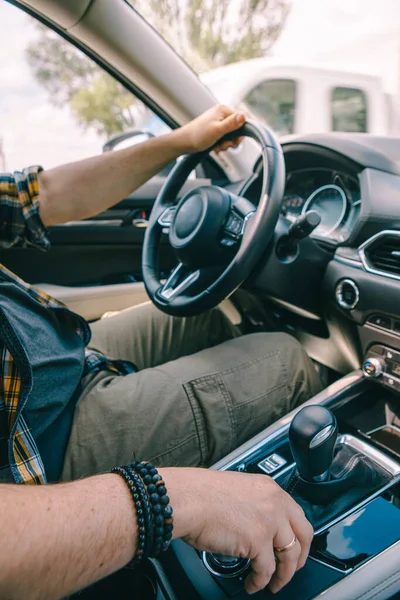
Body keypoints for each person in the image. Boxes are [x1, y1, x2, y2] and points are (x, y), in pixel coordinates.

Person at [0, 105, 320, 598]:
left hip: (61, 367)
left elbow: (41, 197)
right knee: (287, 359)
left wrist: (181, 142)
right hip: (40, 453)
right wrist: (169, 499)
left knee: (210, 316)